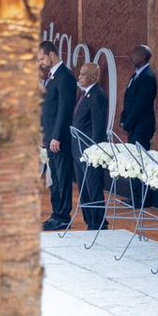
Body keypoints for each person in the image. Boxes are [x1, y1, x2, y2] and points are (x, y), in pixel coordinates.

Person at [39, 41, 77, 230]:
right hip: (50, 136)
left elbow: (64, 110)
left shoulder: (65, 77)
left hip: (59, 139)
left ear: (51, 55)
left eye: (42, 58)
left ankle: (63, 216)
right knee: (53, 178)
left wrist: (56, 136)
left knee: (62, 177)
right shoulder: (53, 77)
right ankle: (56, 213)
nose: (41, 63)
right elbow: (49, 109)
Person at [71, 62, 109, 230]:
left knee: (93, 187)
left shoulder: (97, 95)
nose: (79, 77)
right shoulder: (84, 94)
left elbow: (98, 127)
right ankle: (89, 221)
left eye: (83, 74)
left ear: (93, 77)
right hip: (78, 149)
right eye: (80, 74)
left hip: (89, 152)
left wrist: (94, 152)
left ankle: (98, 223)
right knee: (84, 188)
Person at [119, 45, 158, 209]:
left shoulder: (148, 77)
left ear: (142, 57)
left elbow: (141, 105)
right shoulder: (135, 76)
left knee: (140, 162)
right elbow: (128, 100)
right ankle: (135, 197)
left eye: (134, 53)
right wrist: (123, 118)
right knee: (134, 161)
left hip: (141, 127)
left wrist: (128, 124)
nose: (130, 55)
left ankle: (143, 199)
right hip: (133, 126)